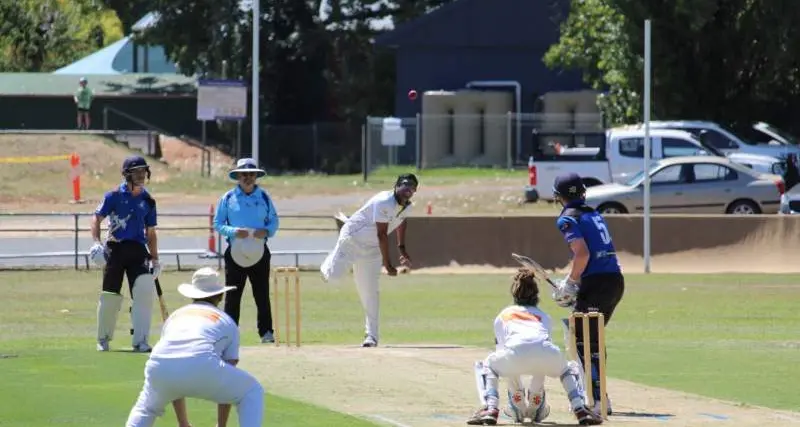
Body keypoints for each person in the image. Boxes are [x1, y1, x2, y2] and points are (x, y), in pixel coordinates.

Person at [125, 267, 265, 427]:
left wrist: (183, 423)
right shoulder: (227, 321)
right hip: (202, 364)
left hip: (159, 365)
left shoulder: (175, 316)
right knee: (252, 391)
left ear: (192, 294)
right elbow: (227, 374)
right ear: (221, 294)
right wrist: (221, 425)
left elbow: (175, 368)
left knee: (146, 408)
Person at [466, 269, 603, 426]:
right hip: (546, 352)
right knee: (567, 368)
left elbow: (503, 353)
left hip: (515, 354)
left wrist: (517, 398)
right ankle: (580, 408)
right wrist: (534, 397)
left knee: (487, 366)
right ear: (536, 295)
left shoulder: (503, 315)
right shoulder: (543, 316)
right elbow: (540, 357)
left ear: (514, 294)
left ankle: (490, 408)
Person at [551, 172, 625, 415]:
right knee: (591, 339)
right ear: (583, 192)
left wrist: (570, 283)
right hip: (614, 280)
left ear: (557, 197)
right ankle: (599, 395)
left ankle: (596, 400)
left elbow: (582, 254)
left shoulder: (567, 219)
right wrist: (574, 285)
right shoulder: (594, 213)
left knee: (582, 341)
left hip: (597, 283)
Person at [320, 173, 418, 347]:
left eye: (412, 187)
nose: (407, 190)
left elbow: (401, 221)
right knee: (333, 277)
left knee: (370, 293)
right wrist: (387, 265)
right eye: (404, 186)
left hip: (372, 249)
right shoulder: (383, 201)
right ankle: (327, 265)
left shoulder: (407, 207)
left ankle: (371, 337)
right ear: (396, 186)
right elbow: (382, 234)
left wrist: (401, 247)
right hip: (352, 239)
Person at [89, 155, 161, 352]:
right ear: (127, 174)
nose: (141, 175)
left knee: (144, 293)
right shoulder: (113, 196)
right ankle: (103, 339)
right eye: (136, 171)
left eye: (143, 171)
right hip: (115, 249)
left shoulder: (148, 200)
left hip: (138, 251)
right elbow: (96, 218)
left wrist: (155, 258)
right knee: (110, 295)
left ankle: (141, 340)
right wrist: (96, 243)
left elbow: (151, 232)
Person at [213, 158, 280, 343]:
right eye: (244, 174)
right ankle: (229, 335)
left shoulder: (264, 197)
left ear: (256, 176)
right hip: (235, 252)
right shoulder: (228, 198)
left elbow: (274, 222)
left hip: (259, 251)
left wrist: (266, 231)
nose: (248, 178)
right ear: (238, 176)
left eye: (251, 174)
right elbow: (218, 224)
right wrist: (234, 232)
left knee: (262, 293)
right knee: (233, 295)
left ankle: (266, 332)